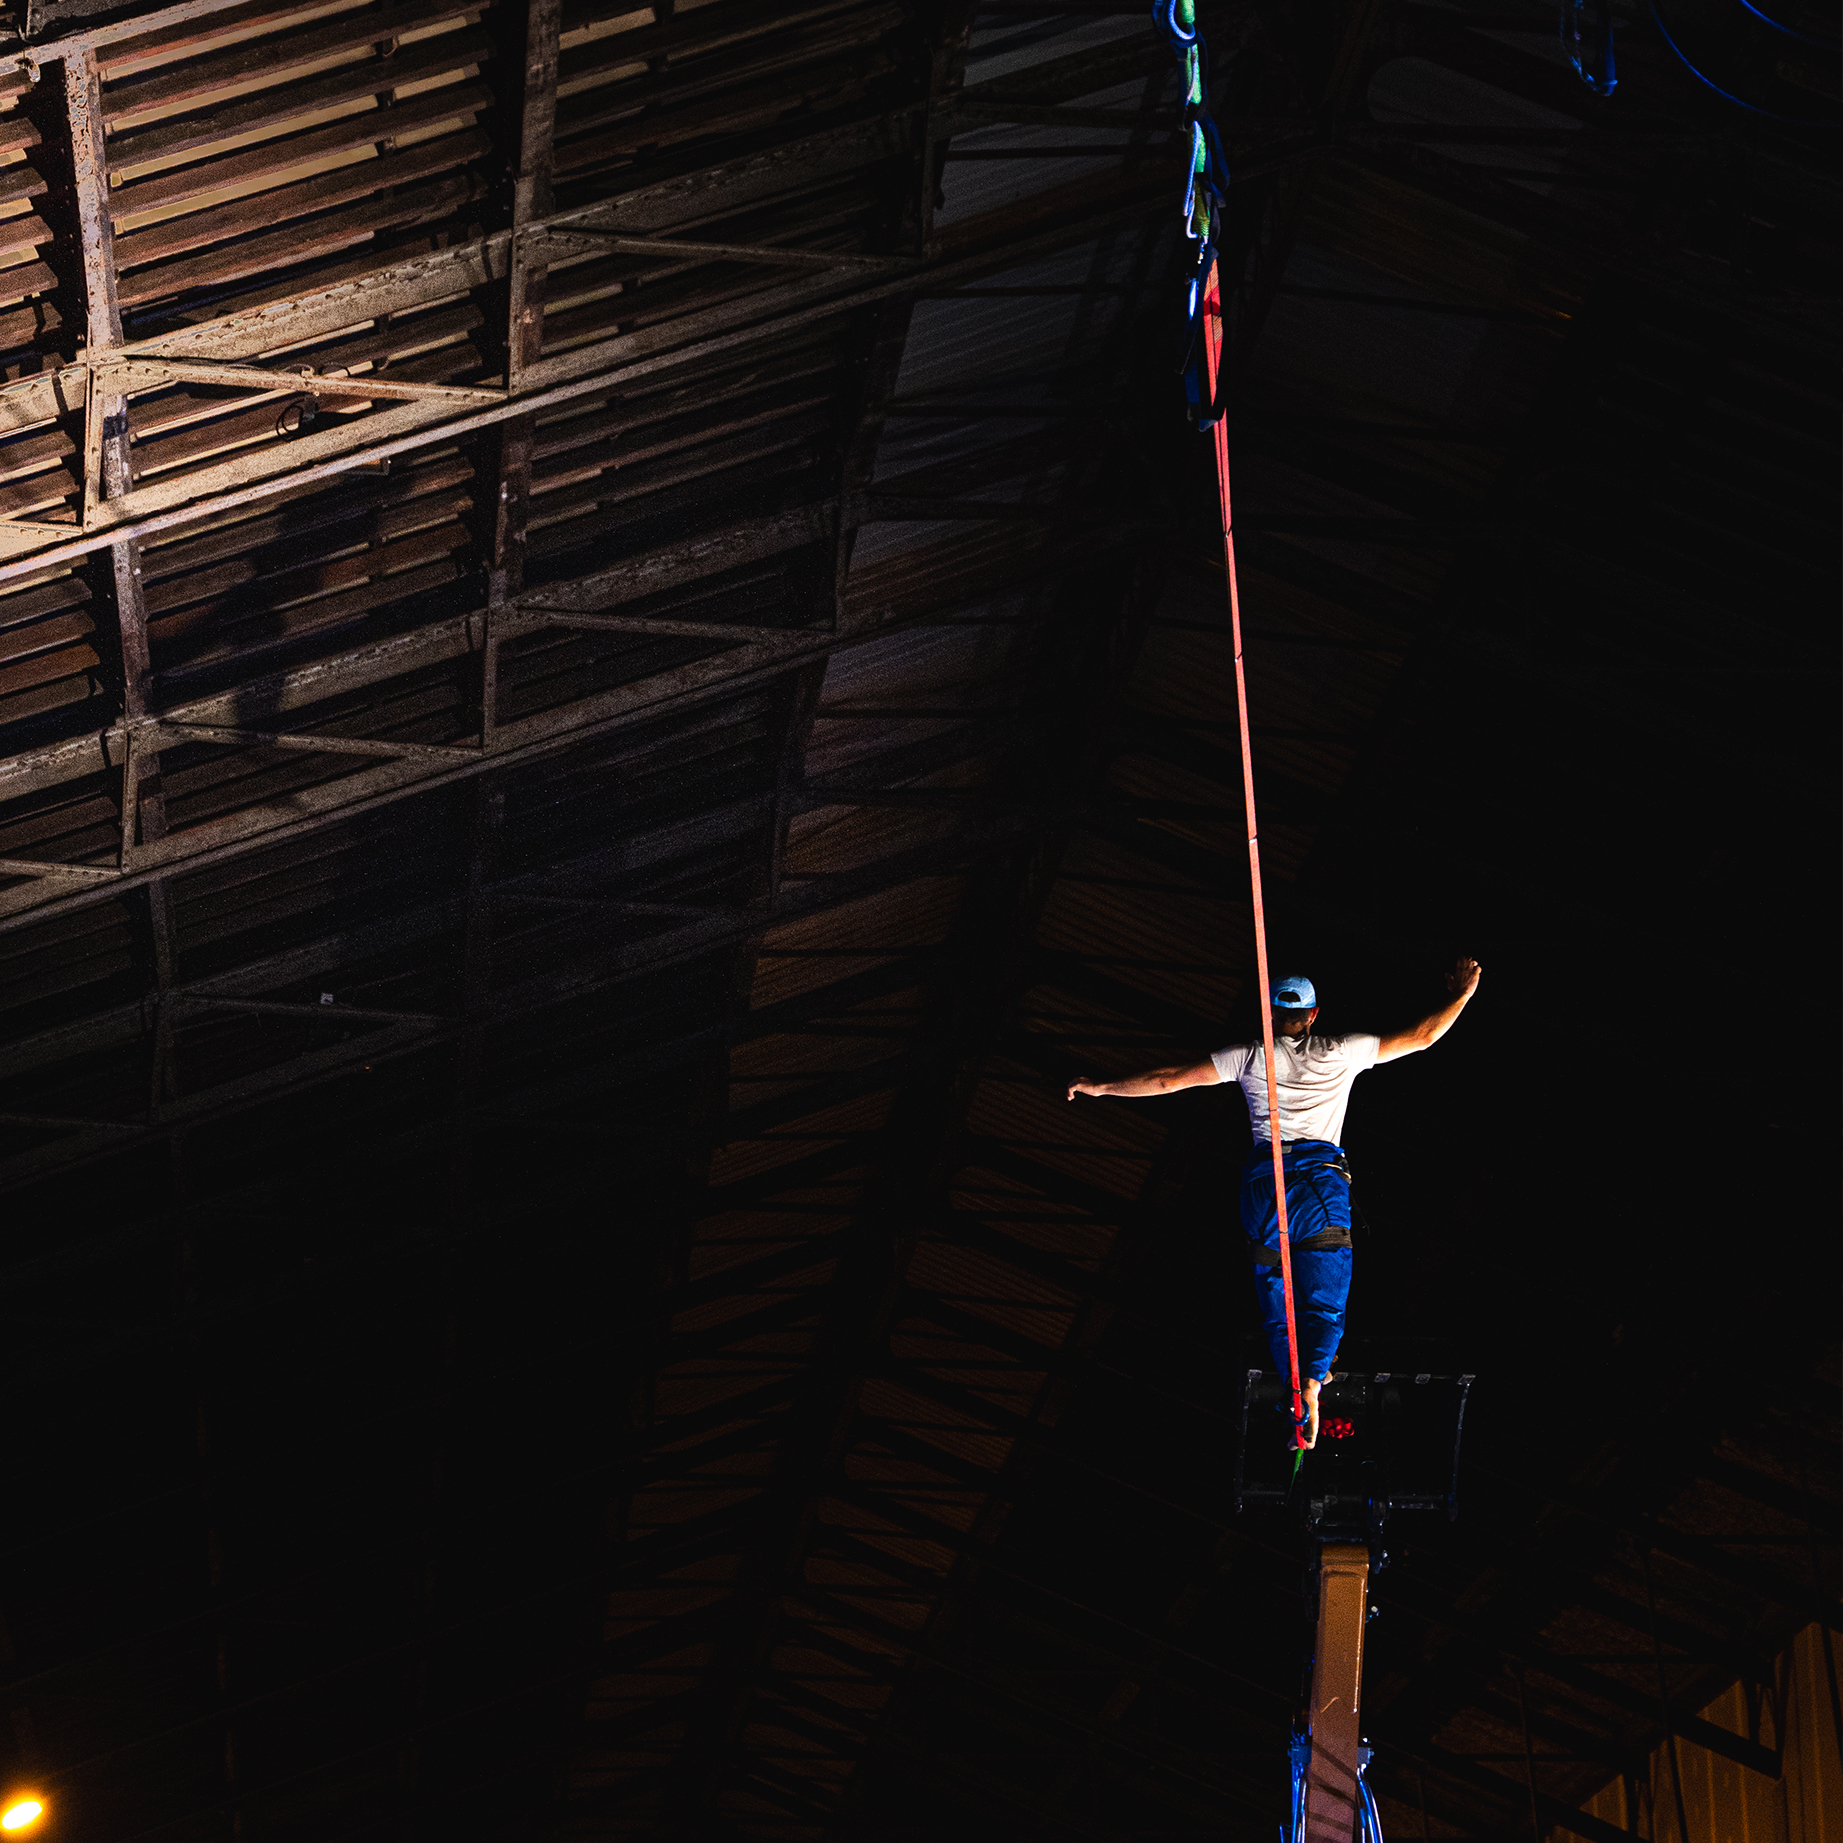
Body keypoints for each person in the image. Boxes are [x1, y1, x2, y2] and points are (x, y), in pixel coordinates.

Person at [1066, 958, 1481, 1446]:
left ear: (1269, 1012)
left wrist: (1101, 1086)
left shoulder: (1248, 1055)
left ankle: (1302, 1385)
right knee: (1317, 1302)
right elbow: (1424, 1036)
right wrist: (1462, 995)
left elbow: (1167, 1079)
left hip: (1265, 1186)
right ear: (1313, 1014)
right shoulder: (1342, 1051)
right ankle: (1305, 1384)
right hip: (1316, 1186)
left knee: (1280, 1299)